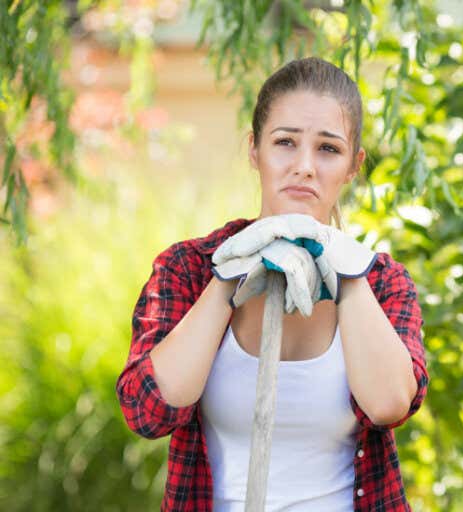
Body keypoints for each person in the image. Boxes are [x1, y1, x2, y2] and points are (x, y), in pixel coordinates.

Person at [116, 57, 429, 512]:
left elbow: (388, 405)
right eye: (285, 142)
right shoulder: (188, 269)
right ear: (254, 150)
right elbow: (150, 411)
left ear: (353, 165)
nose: (305, 166)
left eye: (328, 149)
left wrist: (348, 276)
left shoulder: (382, 282)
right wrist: (226, 280)